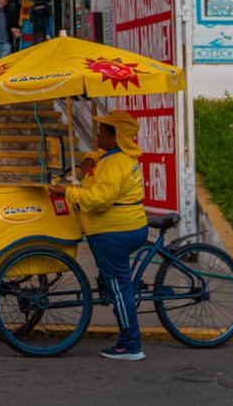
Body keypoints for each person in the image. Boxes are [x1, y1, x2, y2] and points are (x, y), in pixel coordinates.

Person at [50, 111, 148, 361]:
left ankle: (130, 345)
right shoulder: (117, 157)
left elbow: (99, 200)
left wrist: (68, 193)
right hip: (125, 227)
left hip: (114, 232)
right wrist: (88, 160)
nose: (97, 134)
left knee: (118, 285)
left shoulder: (114, 164)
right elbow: (97, 159)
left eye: (102, 131)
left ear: (115, 137)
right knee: (116, 282)